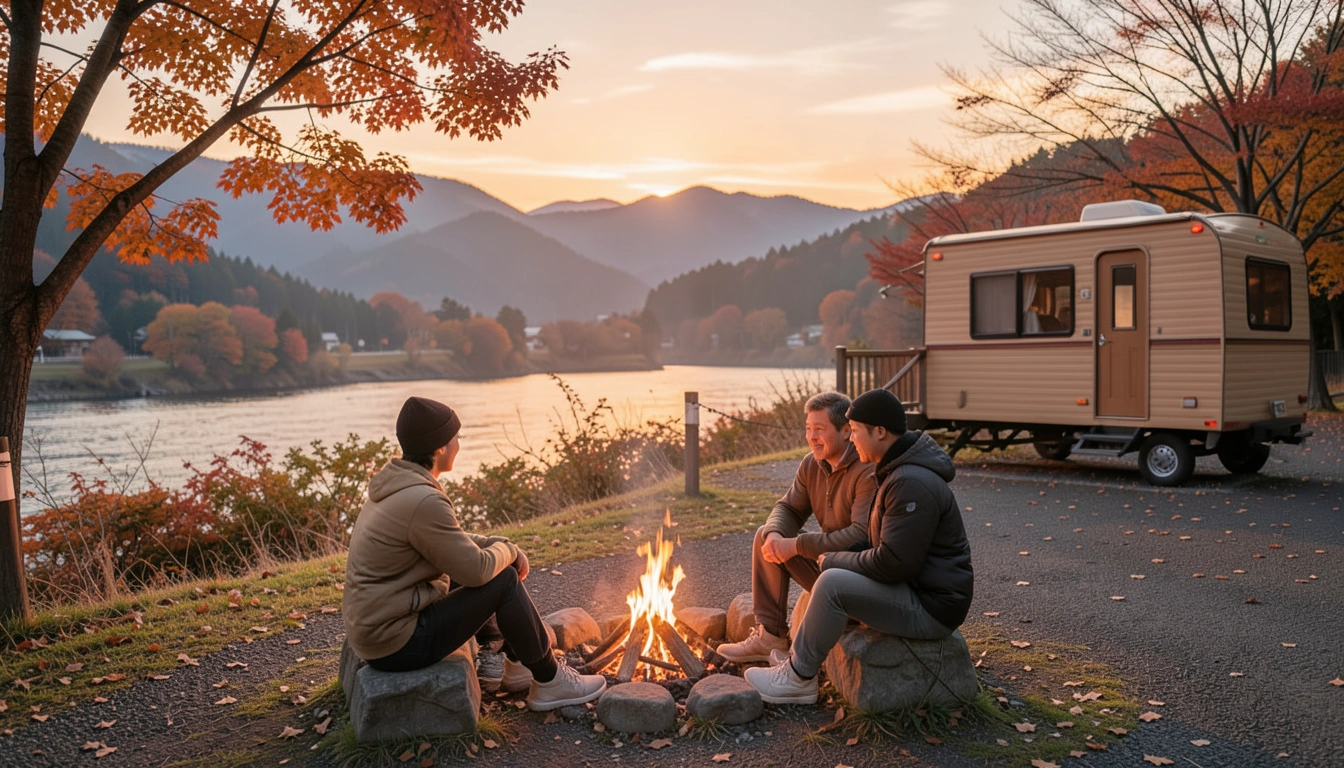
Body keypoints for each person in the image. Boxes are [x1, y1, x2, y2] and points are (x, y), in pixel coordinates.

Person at [343, 396, 605, 711]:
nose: (458, 444)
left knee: (481, 571)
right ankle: (550, 681)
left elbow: (449, 541)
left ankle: (519, 663)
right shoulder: (423, 500)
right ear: (440, 447)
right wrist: (508, 550)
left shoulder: (396, 487)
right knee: (503, 579)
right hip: (397, 644)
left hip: (378, 630)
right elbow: (476, 571)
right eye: (456, 437)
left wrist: (495, 541)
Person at [744, 388, 973, 704]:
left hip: (931, 607)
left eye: (855, 432)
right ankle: (786, 654)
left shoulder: (911, 482)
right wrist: (832, 557)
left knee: (833, 583)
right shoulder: (896, 472)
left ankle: (797, 678)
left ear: (880, 432)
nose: (851, 440)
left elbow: (894, 563)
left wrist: (831, 562)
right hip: (913, 591)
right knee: (831, 573)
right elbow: (878, 543)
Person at [717, 392, 876, 663]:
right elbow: (788, 508)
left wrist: (797, 545)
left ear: (846, 430)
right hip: (828, 569)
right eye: (808, 429)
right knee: (764, 536)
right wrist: (776, 534)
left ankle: (806, 657)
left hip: (857, 581)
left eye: (819, 429)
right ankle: (770, 637)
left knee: (787, 542)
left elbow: (860, 536)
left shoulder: (866, 469)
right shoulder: (811, 464)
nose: (811, 437)